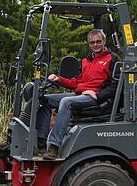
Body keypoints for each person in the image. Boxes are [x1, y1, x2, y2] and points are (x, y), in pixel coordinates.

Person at [36, 29, 119, 160]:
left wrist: (98, 94)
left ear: (104, 41)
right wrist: (59, 79)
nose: (96, 45)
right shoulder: (86, 61)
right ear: (89, 44)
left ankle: (53, 147)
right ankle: (40, 142)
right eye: (92, 42)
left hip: (96, 99)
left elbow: (116, 85)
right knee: (44, 100)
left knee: (66, 102)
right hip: (80, 94)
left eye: (98, 42)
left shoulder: (112, 59)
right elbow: (76, 82)